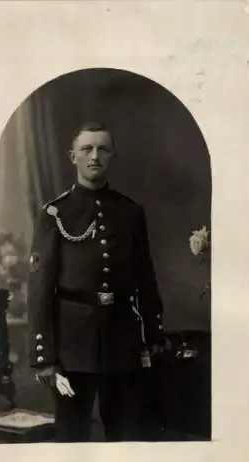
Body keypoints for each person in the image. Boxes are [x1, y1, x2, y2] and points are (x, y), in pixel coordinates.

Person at [27, 122, 169, 442]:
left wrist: (153, 334)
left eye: (103, 149)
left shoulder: (130, 212)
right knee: (71, 435)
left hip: (123, 343)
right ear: (72, 157)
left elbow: (145, 277)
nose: (95, 156)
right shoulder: (54, 213)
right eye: (86, 149)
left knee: (127, 434)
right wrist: (44, 358)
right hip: (72, 347)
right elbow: (39, 290)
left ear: (112, 156)